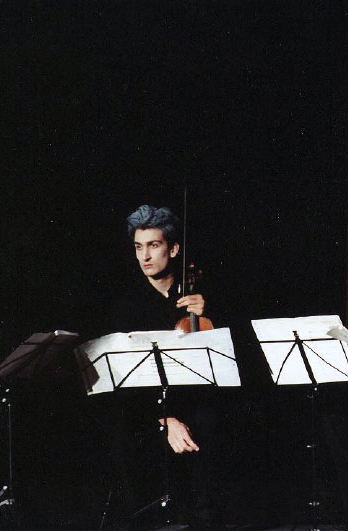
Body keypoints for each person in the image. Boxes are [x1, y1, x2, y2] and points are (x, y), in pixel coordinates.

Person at [103, 204, 223, 530]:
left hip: (191, 401)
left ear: (173, 249)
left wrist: (211, 312)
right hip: (144, 408)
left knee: (211, 419)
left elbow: (220, 362)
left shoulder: (195, 298)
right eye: (138, 247)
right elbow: (122, 380)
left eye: (154, 245)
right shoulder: (125, 306)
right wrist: (165, 418)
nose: (145, 256)